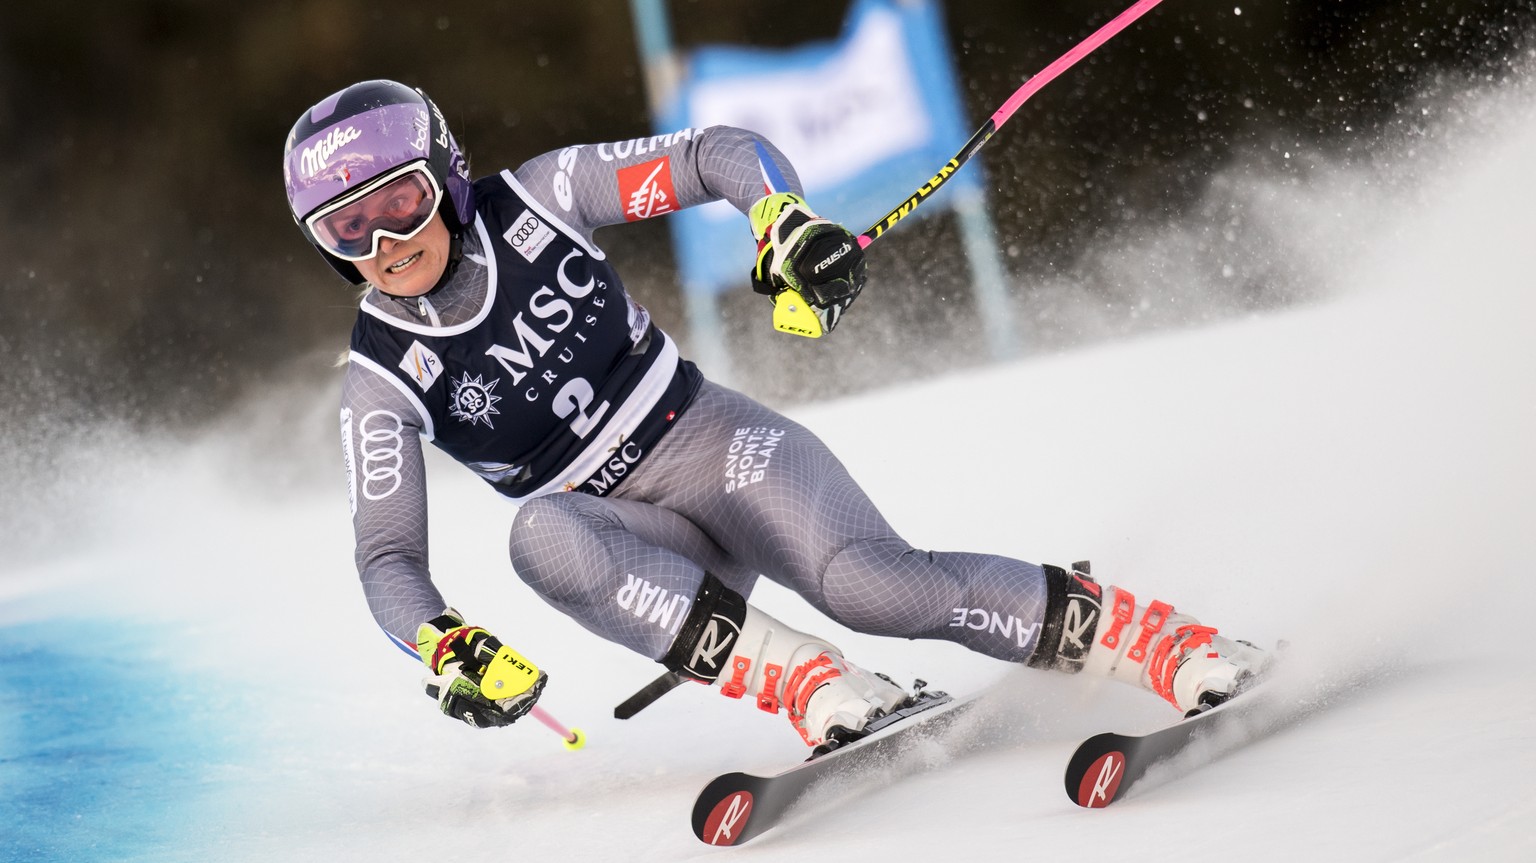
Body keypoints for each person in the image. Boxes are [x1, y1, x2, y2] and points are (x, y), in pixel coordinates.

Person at [282, 80, 1266, 747]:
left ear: (445, 172)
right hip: (641, 546)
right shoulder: (379, 377)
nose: (385, 239)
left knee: (875, 585)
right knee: (540, 534)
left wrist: (778, 220)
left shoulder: (542, 196)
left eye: (401, 201)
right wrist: (441, 642)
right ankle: (810, 679)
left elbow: (719, 155)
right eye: (347, 225)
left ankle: (1160, 643)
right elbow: (387, 560)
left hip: (714, 444)